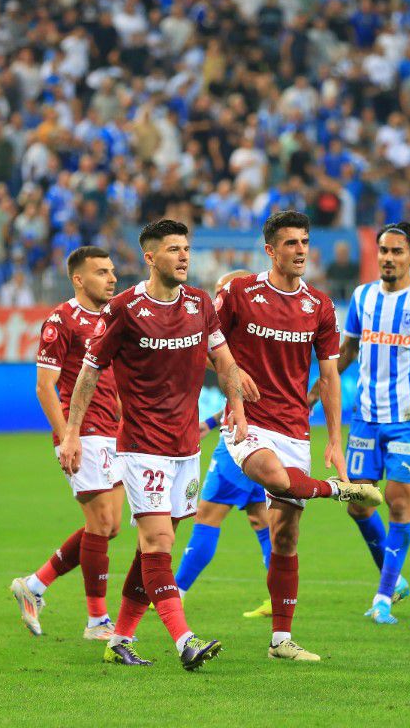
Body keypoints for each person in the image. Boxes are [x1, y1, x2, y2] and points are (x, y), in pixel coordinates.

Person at [58, 219, 249, 671]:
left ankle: (120, 637)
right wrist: (71, 432)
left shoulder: (201, 303)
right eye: (173, 249)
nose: (184, 256)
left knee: (151, 550)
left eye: (186, 248)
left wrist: (237, 408)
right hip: (141, 447)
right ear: (150, 257)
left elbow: (223, 361)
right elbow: (89, 372)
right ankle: (185, 641)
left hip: (186, 448)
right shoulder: (123, 309)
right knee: (158, 541)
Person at [215, 211, 384, 661]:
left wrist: (333, 439)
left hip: (294, 426)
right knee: (272, 474)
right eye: (290, 243)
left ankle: (280, 642)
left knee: (285, 536)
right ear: (270, 250)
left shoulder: (320, 306)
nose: (301, 250)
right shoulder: (239, 292)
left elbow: (329, 376)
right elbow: (209, 349)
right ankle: (338, 491)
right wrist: (233, 383)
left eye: (305, 242)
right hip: (246, 421)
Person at [313, 221, 410, 625]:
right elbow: (346, 352)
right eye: (383, 251)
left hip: (407, 420)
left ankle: (383, 597)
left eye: (397, 252)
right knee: (358, 506)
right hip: (365, 418)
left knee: (398, 501)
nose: (388, 258)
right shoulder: (362, 298)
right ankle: (394, 579)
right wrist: (315, 390)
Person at [10, 247, 124, 640]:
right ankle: (97, 621)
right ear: (78, 279)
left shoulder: (115, 317)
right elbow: (45, 386)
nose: (111, 278)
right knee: (102, 522)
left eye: (112, 271)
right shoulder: (61, 320)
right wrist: (67, 437)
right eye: (101, 272)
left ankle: (34, 586)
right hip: (82, 431)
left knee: (110, 529)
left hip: (115, 431)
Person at [173, 269, 274, 619]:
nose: (219, 298)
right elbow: (239, 391)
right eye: (216, 291)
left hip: (244, 440)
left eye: (224, 291)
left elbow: (227, 372)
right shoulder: (253, 334)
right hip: (260, 436)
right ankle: (278, 597)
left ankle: (177, 591)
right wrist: (212, 421)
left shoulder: (243, 339)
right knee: (261, 520)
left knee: (208, 513)